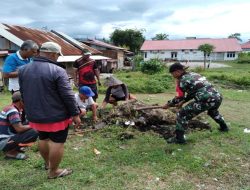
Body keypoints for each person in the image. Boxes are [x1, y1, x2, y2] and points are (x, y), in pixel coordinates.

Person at [19, 42, 81, 179]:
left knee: (43, 138)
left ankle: (47, 164)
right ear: (53, 54)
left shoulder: (23, 69)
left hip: (35, 115)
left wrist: (29, 111)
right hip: (56, 115)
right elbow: (68, 95)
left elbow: (23, 93)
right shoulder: (58, 70)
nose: (58, 58)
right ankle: (54, 171)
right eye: (58, 55)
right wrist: (75, 114)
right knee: (57, 142)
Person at [163, 62, 229, 144]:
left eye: (172, 73)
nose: (172, 76)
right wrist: (183, 102)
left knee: (181, 114)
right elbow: (193, 92)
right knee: (213, 112)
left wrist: (168, 104)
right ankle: (224, 127)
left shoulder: (182, 81)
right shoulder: (194, 74)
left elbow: (179, 97)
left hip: (205, 100)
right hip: (217, 97)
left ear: (177, 71)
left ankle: (179, 139)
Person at [0, 92, 38, 160]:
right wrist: (34, 125)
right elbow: (19, 129)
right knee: (34, 131)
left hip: (4, 139)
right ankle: (10, 152)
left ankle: (15, 147)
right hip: (4, 142)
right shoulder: (12, 111)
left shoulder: (11, 108)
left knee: (29, 123)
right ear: (21, 101)